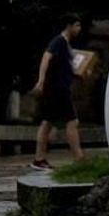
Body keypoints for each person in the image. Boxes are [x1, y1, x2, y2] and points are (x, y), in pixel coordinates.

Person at [30, 14, 87, 171]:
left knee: (47, 122)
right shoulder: (59, 41)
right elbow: (45, 58)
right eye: (77, 25)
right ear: (68, 26)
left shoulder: (67, 45)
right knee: (72, 121)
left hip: (58, 89)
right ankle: (79, 158)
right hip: (57, 90)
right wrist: (41, 82)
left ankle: (39, 159)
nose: (79, 29)